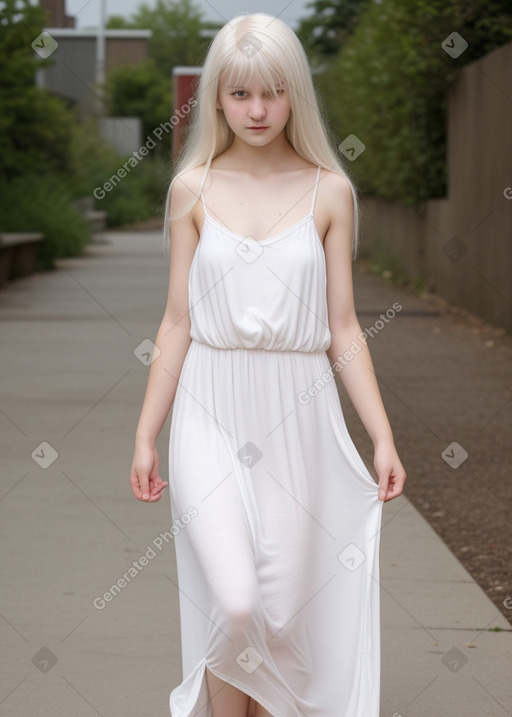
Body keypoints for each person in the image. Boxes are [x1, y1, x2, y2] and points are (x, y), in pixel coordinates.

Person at [129, 11, 407, 717]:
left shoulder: (329, 191)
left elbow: (343, 327)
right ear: (217, 97)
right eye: (241, 92)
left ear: (295, 97)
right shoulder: (190, 188)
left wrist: (380, 435)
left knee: (283, 615)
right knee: (237, 603)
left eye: (274, 92)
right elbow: (177, 320)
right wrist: (145, 432)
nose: (258, 109)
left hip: (300, 415)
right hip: (210, 406)